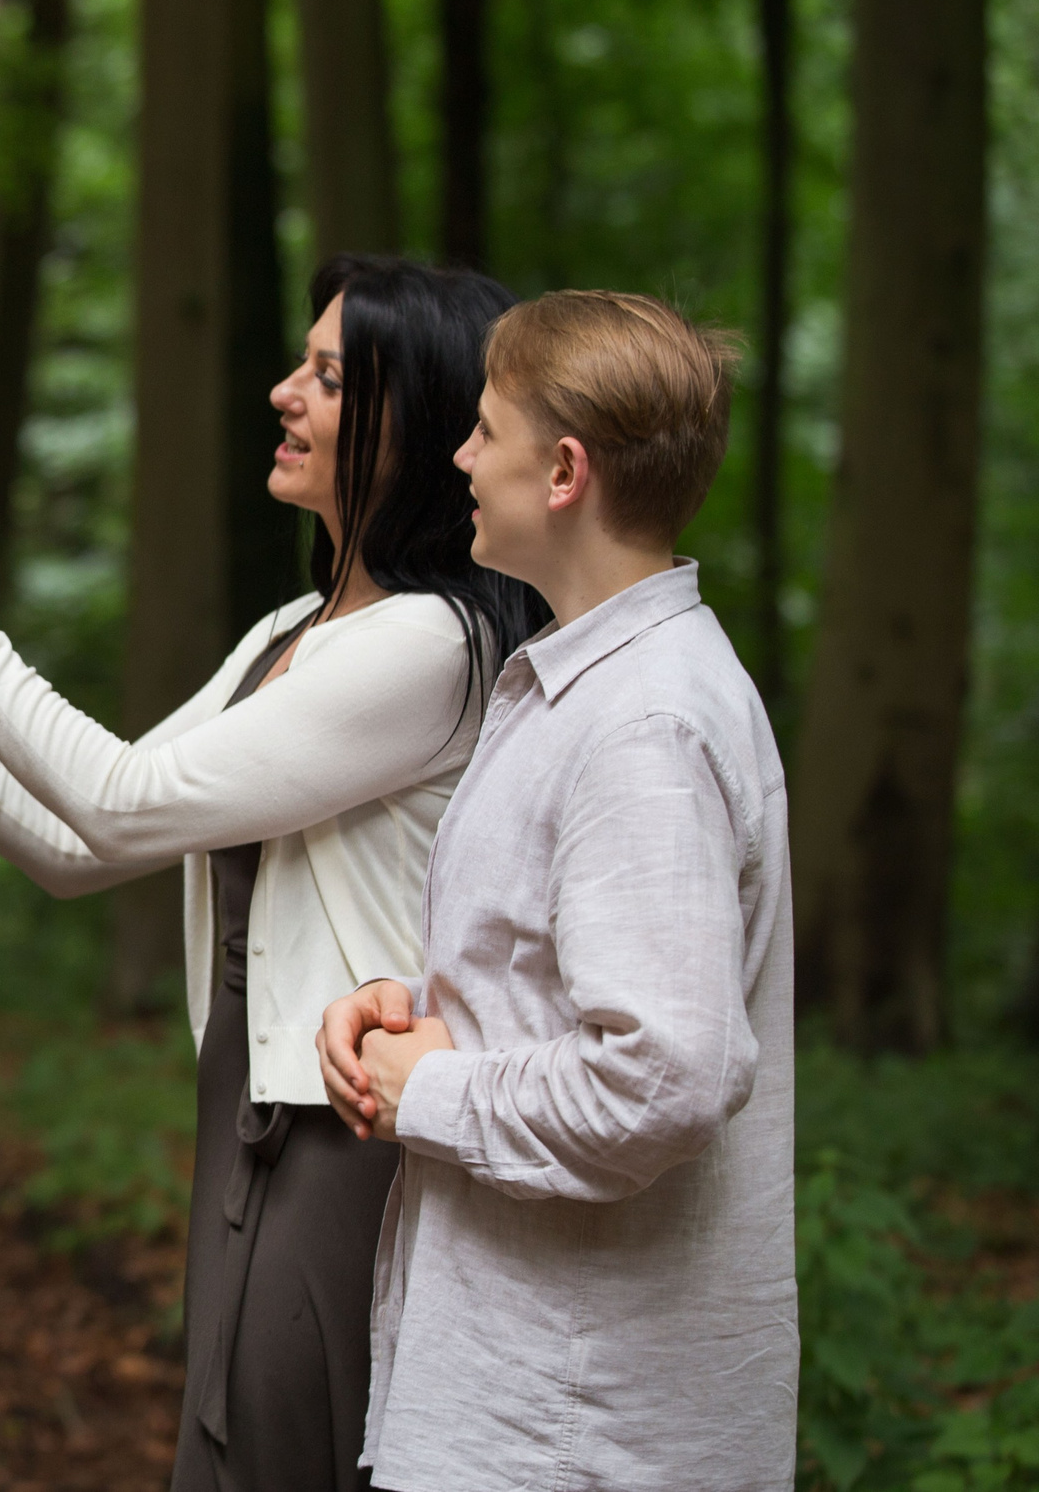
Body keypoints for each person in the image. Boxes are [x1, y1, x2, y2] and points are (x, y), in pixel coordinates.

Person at [0, 258, 545, 1492]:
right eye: (300, 364)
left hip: (345, 1129)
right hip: (243, 1114)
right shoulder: (287, 639)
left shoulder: (432, 646)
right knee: (221, 1445)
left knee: (282, 1453)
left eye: (330, 377)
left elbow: (119, 806)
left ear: (420, 425)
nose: (285, 394)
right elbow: (78, 846)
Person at [317, 291, 797, 1491]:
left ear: (566, 470)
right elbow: (569, 983)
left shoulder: (643, 723)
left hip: (576, 1423)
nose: (461, 457)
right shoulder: (580, 682)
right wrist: (418, 1005)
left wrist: (430, 1087)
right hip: (532, 1391)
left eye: (485, 430)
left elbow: (665, 1076)